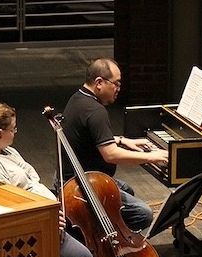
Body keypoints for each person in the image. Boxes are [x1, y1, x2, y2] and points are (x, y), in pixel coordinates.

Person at [0, 102, 105, 257]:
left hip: (48, 217)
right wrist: (47, 217)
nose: (15, 132)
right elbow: (12, 206)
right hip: (32, 228)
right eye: (13, 129)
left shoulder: (7, 150)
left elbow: (31, 177)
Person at [55, 57, 168, 232]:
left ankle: (111, 227)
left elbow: (87, 137)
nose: (118, 89)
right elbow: (111, 154)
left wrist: (123, 140)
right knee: (143, 214)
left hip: (68, 177)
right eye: (116, 84)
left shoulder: (78, 98)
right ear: (99, 82)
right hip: (82, 185)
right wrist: (151, 156)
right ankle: (106, 239)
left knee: (126, 189)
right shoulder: (96, 111)